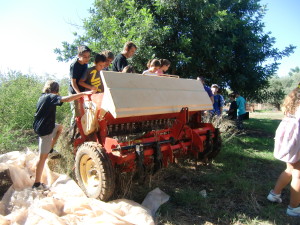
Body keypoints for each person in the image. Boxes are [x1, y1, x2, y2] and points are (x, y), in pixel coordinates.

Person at [32, 80, 94, 190]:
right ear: (56, 90)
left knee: (60, 127)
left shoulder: (43, 97)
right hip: (45, 130)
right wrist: (83, 93)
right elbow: (66, 99)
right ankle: (36, 184)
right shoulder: (50, 96)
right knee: (42, 158)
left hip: (46, 125)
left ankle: (50, 149)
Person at [267, 84, 300, 217]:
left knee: (290, 169)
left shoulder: (293, 105)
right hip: (297, 140)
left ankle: (274, 194)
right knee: (298, 174)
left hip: (290, 141)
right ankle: (293, 207)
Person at [69, 45, 91, 125]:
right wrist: (79, 94)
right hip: (74, 92)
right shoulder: (74, 65)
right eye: (85, 57)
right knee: (76, 114)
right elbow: (73, 82)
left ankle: (82, 133)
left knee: (84, 112)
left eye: (88, 56)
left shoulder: (85, 64)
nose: (87, 59)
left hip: (82, 92)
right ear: (79, 55)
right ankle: (73, 134)